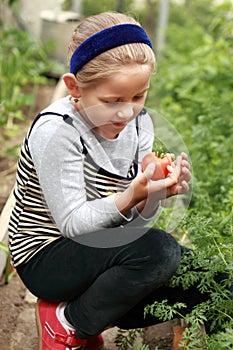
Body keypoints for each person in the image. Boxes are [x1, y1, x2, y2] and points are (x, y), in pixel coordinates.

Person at [9, 11, 206, 350]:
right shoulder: (57, 130)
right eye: (112, 101)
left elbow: (134, 222)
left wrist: (156, 192)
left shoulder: (139, 124)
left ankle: (86, 314)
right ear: (74, 87)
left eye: (138, 97)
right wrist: (130, 194)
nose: (127, 112)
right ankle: (67, 321)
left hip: (102, 247)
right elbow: (73, 224)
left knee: (209, 278)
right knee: (158, 250)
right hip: (47, 257)